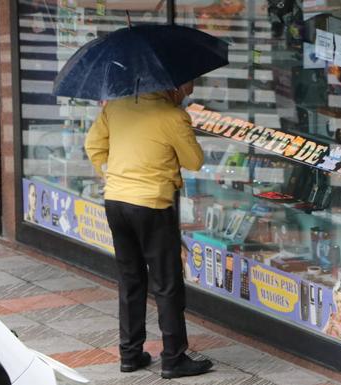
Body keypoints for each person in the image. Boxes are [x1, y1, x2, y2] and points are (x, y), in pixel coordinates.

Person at [84, 81, 213, 379]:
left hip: (116, 200)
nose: (190, 89)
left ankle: (130, 354)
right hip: (152, 204)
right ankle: (173, 358)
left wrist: (111, 175)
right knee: (166, 281)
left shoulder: (116, 106)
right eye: (188, 85)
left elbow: (93, 145)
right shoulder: (171, 116)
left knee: (130, 278)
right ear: (175, 86)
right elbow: (194, 161)